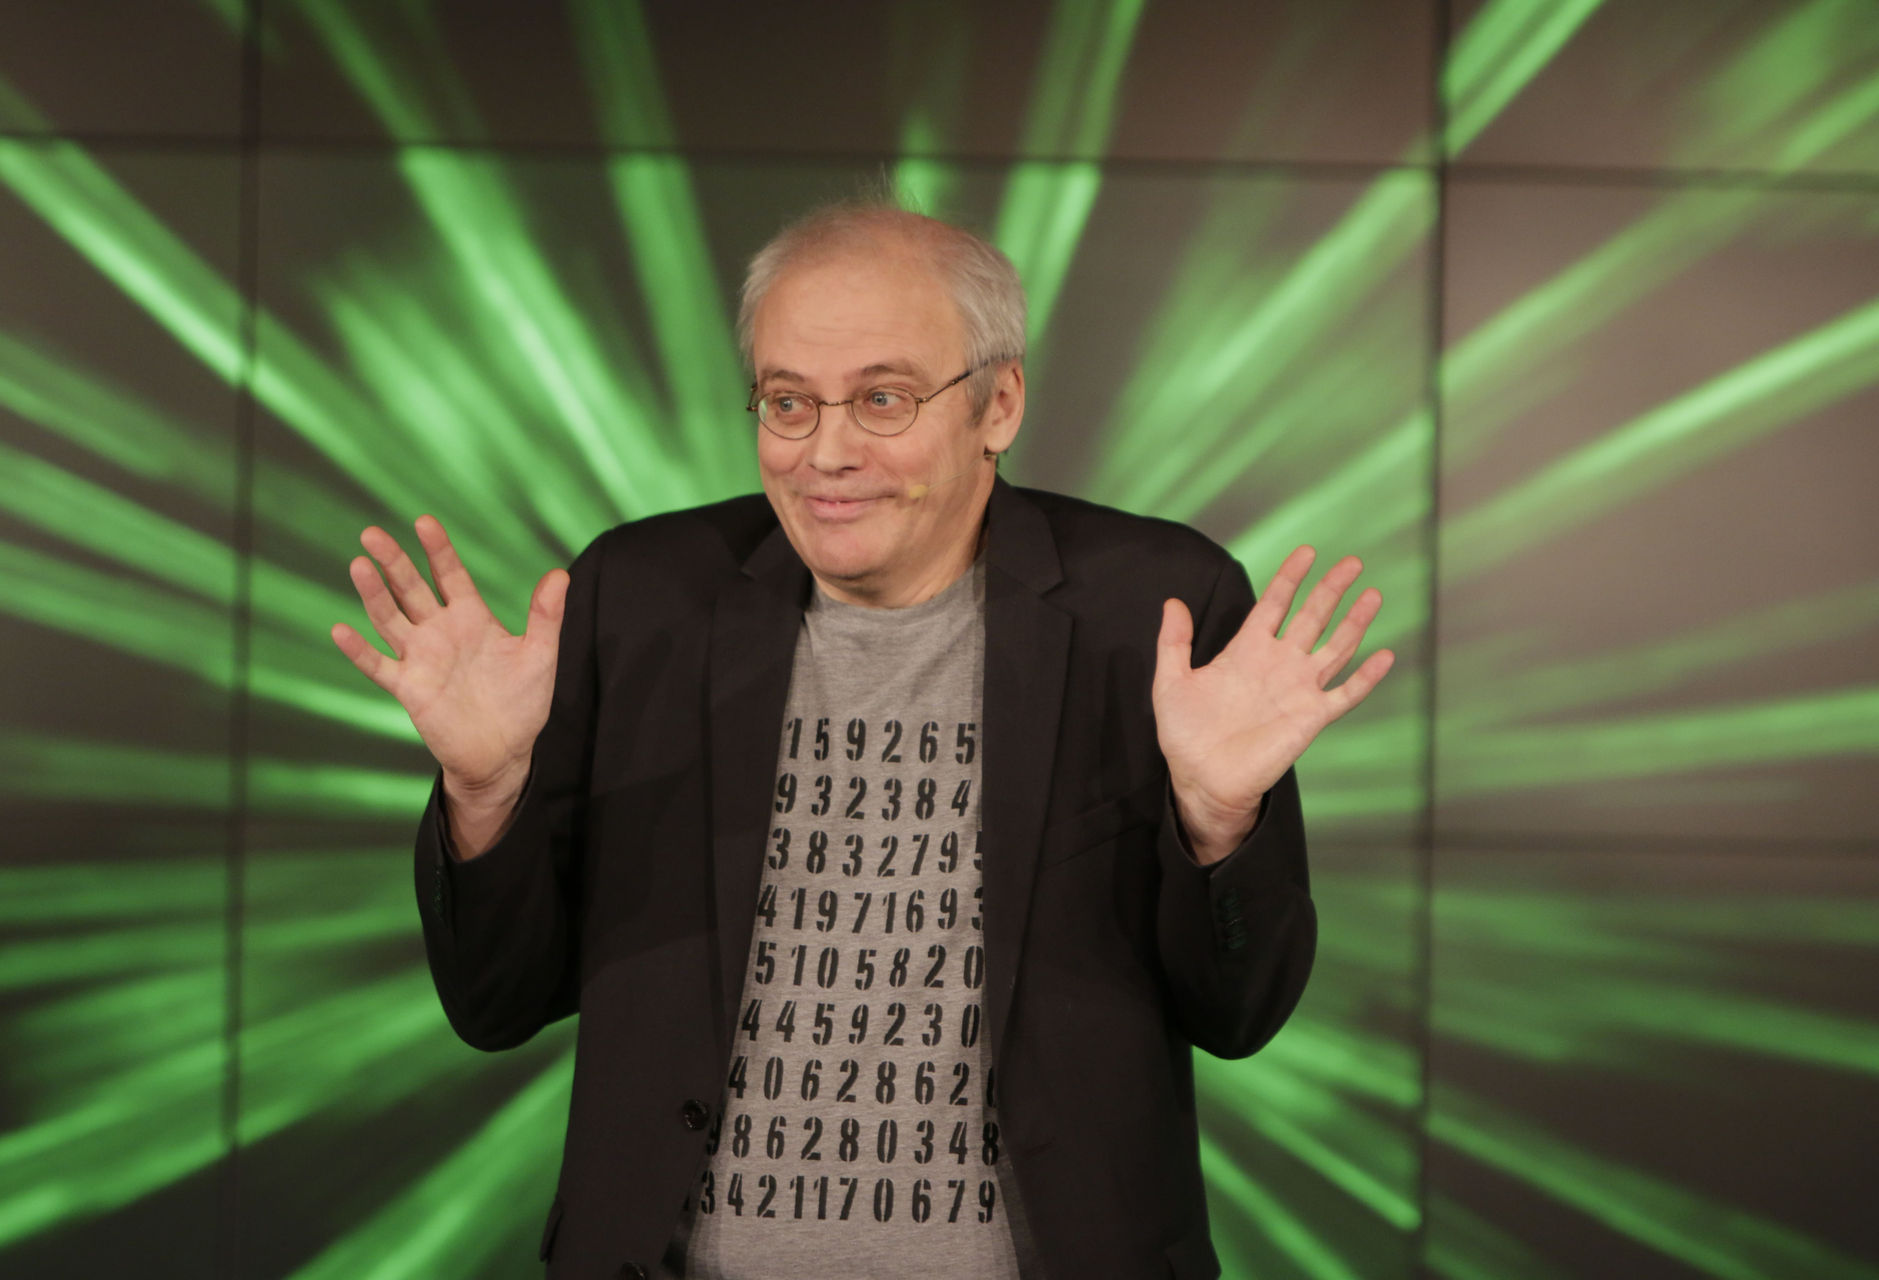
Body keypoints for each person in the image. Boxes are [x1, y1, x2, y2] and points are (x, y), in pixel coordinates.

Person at [331, 199, 1392, 1280]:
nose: (826, 453)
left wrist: (1219, 824)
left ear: (998, 403)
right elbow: (497, 1001)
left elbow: (1239, 1010)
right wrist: (485, 793)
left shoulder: (1155, 611)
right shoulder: (638, 602)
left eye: (883, 399)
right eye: (788, 402)